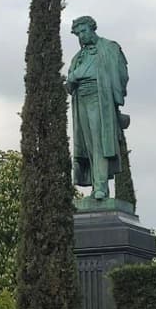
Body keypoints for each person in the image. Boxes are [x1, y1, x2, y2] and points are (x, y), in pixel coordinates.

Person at [66, 15, 128, 200]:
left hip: (100, 99)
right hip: (81, 100)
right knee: (88, 145)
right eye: (77, 34)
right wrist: (72, 79)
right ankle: (96, 187)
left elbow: (122, 74)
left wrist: (115, 96)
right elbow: (70, 81)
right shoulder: (78, 57)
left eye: (83, 31)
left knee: (100, 141)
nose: (81, 37)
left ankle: (101, 186)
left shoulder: (109, 48)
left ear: (92, 29)